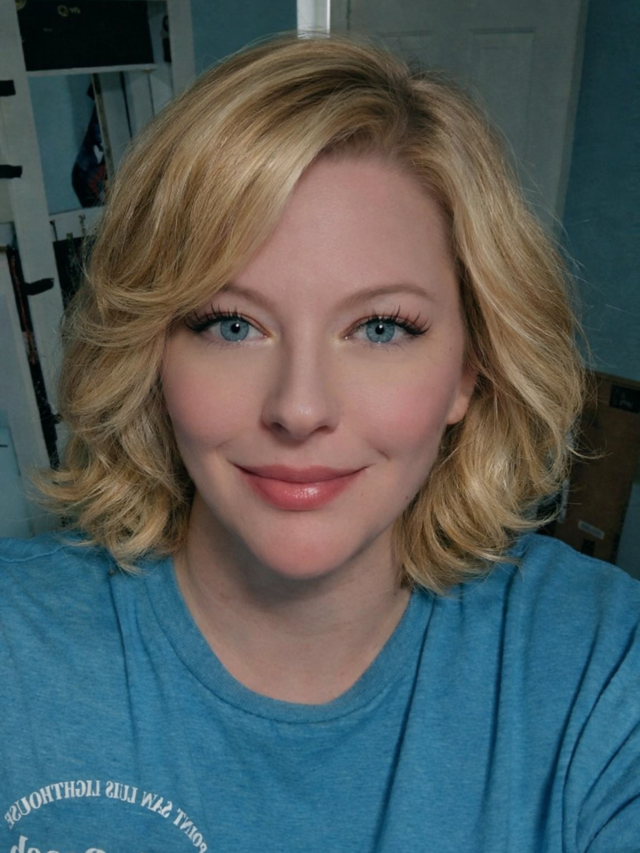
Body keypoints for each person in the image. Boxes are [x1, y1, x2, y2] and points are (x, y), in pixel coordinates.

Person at [1, 35, 638, 853]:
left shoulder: (601, 665)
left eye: (380, 327)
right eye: (232, 324)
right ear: (150, 354)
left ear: (468, 370)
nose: (299, 409)